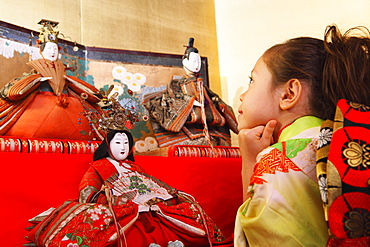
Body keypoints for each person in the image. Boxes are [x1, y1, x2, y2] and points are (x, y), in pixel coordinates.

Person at [234, 24, 370, 246]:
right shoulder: (346, 141)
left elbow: (254, 241)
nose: (243, 95)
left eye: (252, 81)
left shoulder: (277, 163)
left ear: (289, 94)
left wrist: (249, 162)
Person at [27, 129, 229, 247]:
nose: (123, 146)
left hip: (151, 208)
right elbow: (87, 192)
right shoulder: (99, 167)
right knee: (97, 216)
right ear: (108, 145)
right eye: (118, 142)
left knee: (190, 207)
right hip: (122, 208)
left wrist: (166, 197)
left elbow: (153, 185)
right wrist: (116, 201)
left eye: (126, 142)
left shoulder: (135, 167)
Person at [0, 19, 103, 141]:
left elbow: (94, 95)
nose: (52, 52)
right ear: (41, 51)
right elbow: (13, 92)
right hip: (40, 102)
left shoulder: (64, 73)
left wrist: (69, 82)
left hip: (66, 101)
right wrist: (38, 81)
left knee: (88, 117)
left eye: (55, 49)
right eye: (49, 49)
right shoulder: (35, 73)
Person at [143, 38, 238, 148]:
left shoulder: (202, 85)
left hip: (206, 126)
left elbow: (213, 99)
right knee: (202, 141)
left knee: (219, 140)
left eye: (198, 61)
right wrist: (191, 101)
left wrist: (217, 104)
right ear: (184, 61)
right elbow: (173, 97)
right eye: (193, 61)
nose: (197, 64)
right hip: (185, 128)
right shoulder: (176, 84)